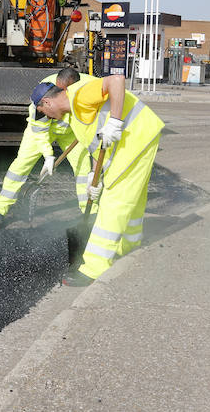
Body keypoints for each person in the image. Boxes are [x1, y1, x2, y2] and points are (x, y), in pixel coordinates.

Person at [35, 72, 165, 286]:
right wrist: (93, 177)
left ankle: (95, 268)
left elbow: (116, 80)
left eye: (44, 112)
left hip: (134, 139)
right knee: (133, 197)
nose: (47, 117)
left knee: (114, 201)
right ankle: (129, 245)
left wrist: (115, 122)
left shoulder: (78, 95)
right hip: (139, 137)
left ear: (47, 102)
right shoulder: (75, 117)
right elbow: (97, 147)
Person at [0, 67, 97, 229]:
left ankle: (90, 213)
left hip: (71, 131)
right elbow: (39, 132)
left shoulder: (89, 86)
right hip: (42, 129)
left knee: (83, 170)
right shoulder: (43, 94)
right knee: (21, 166)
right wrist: (48, 155)